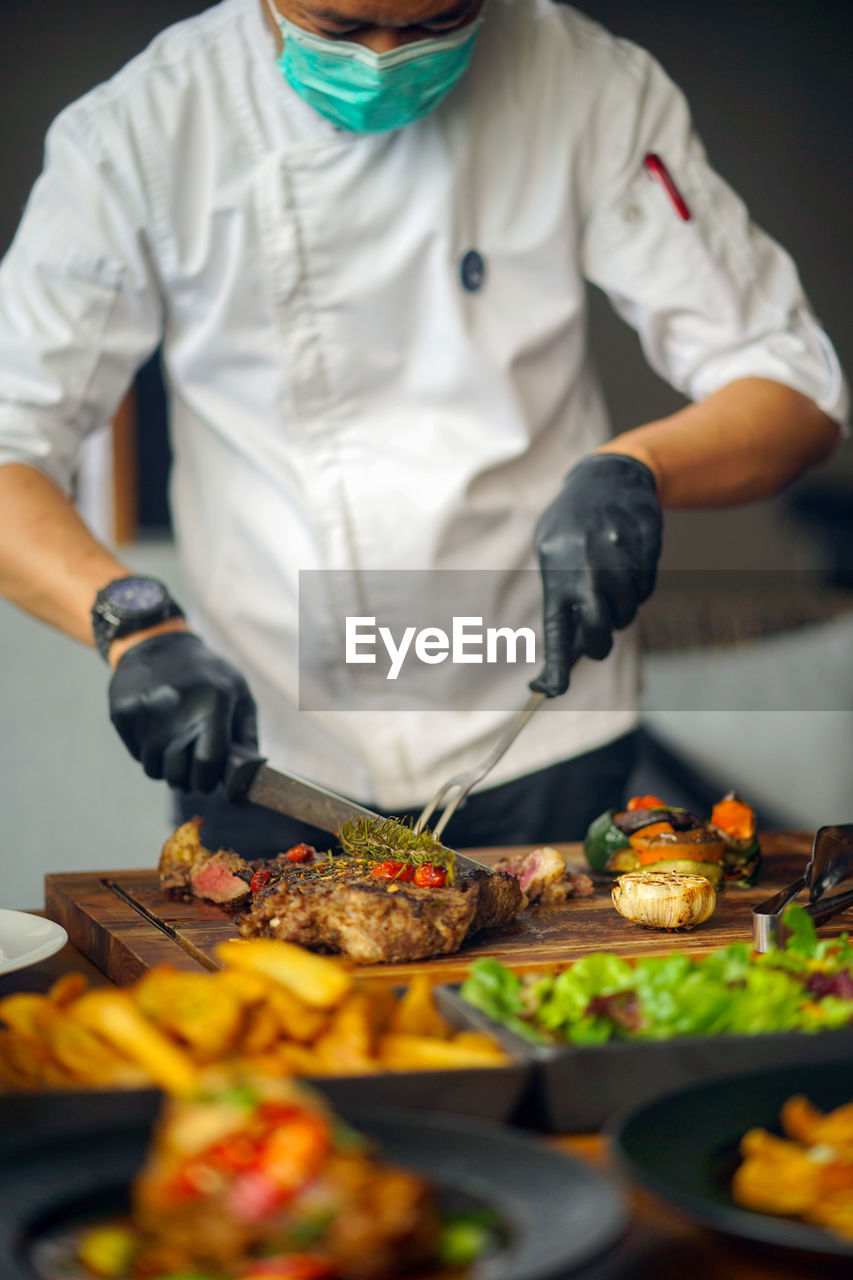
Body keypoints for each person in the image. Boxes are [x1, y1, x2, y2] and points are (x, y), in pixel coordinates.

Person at [0, 0, 846, 856]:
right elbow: (10, 446)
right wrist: (132, 625)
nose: (382, 61)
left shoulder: (588, 83)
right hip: (265, 743)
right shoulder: (136, 129)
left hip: (537, 723)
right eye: (337, 28)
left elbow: (793, 386)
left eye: (433, 26)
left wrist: (639, 467)